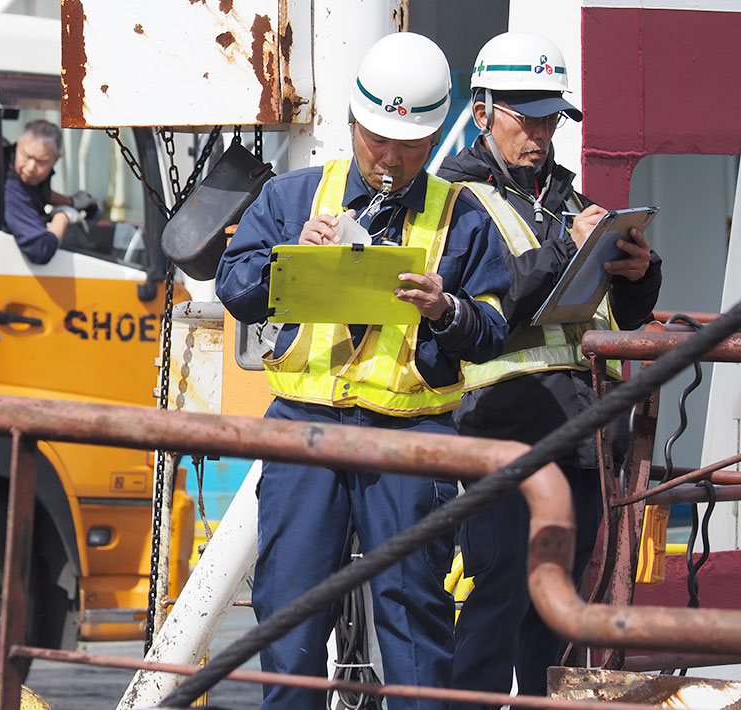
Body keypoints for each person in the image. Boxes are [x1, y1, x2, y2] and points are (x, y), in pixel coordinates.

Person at [216, 32, 513, 710]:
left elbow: (494, 329)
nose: (390, 158)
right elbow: (234, 286)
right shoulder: (294, 199)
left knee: (414, 614)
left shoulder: (462, 216)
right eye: (378, 139)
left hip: (412, 437)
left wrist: (447, 310)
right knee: (289, 610)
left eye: (409, 146)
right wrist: (291, 258)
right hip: (305, 431)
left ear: (434, 134)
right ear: (353, 122)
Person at [438, 31, 662, 705]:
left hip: (581, 431)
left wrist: (636, 273)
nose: (540, 132)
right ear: (481, 112)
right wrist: (568, 245)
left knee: (564, 612)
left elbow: (615, 317)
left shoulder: (563, 197)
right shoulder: (454, 201)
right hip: (500, 432)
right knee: (496, 596)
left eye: (550, 117)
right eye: (525, 115)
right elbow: (488, 305)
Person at [3, 119, 99, 264]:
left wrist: (70, 201)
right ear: (17, 145)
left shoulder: (22, 173)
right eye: (26, 156)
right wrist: (63, 216)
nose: (30, 168)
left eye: (41, 162)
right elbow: (41, 249)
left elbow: (37, 190)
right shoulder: (11, 187)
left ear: (56, 159)